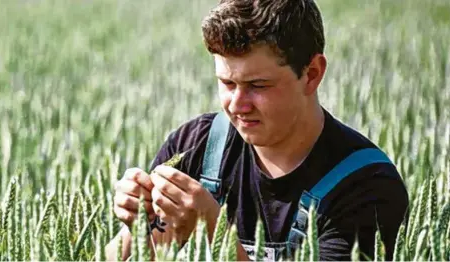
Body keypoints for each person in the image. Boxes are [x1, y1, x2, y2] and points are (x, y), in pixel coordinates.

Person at [105, 0, 409, 261]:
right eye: (227, 83)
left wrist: (215, 230)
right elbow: (142, 252)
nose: (238, 104)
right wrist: (135, 228)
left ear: (312, 74)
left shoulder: (366, 189)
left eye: (257, 86)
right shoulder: (194, 146)